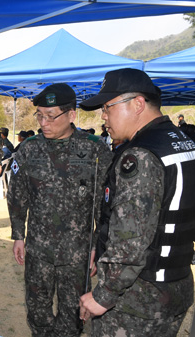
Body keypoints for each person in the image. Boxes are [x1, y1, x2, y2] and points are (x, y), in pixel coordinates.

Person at [79, 68, 195, 336]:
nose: (103, 117)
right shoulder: (183, 143)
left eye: (108, 108)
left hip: (137, 301)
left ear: (138, 104)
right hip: (175, 286)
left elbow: (130, 241)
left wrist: (103, 296)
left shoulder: (140, 156)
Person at [7, 83, 112, 337]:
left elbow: (104, 204)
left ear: (72, 115)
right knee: (38, 312)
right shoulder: (30, 148)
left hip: (77, 254)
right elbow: (17, 195)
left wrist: (98, 245)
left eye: (51, 116)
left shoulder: (94, 149)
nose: (44, 122)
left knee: (73, 315)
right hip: (39, 251)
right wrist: (18, 235)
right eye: (39, 115)